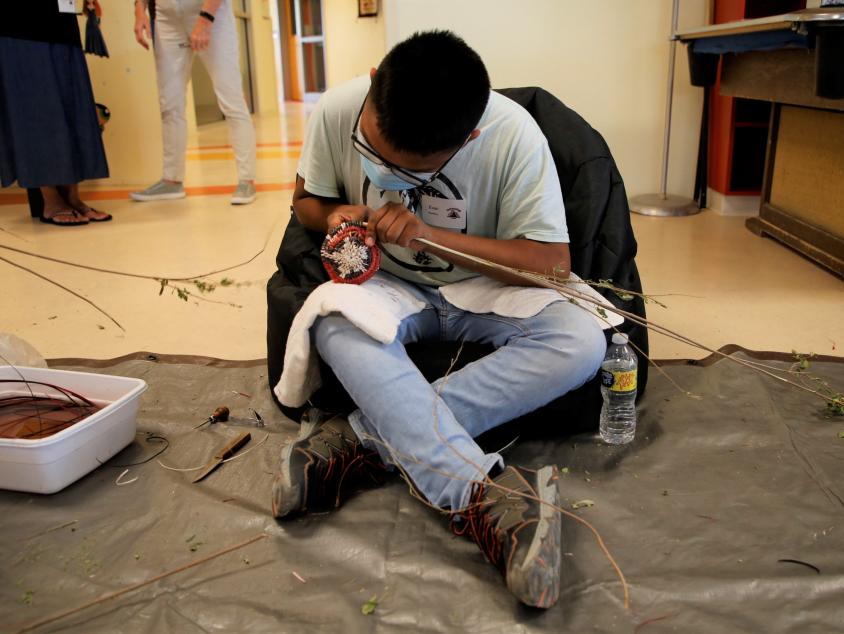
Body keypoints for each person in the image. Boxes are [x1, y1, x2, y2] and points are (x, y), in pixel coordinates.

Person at [271, 31, 607, 609]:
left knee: (581, 341)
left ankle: (360, 439)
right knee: (331, 320)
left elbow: (552, 265)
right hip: (388, 284)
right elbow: (306, 198)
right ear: (375, 81)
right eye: (374, 153)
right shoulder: (338, 108)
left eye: (410, 170)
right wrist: (334, 215)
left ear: (469, 135)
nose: (386, 174)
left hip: (485, 288)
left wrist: (433, 237)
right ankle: (483, 498)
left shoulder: (512, 135)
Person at [130, 0, 256, 205]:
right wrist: (139, 11)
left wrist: (205, 19)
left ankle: (246, 179)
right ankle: (171, 180)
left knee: (231, 99)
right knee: (170, 103)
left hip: (210, 13)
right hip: (166, 17)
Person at [0, 1, 112, 226]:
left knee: (70, 103)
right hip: (20, 27)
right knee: (38, 108)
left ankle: (72, 197)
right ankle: (50, 200)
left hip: (61, 18)